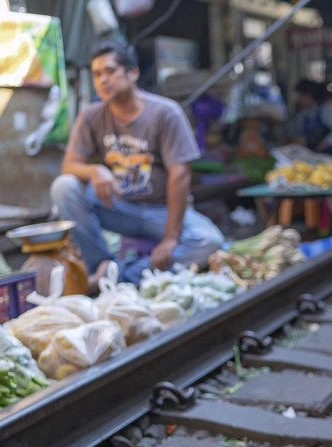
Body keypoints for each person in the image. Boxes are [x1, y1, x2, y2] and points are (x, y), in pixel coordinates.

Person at [50, 40, 224, 290]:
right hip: (119, 207)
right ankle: (101, 265)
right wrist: (95, 170)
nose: (103, 80)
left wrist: (170, 238)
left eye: (110, 71)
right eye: (97, 74)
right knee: (64, 187)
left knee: (209, 241)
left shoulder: (165, 113)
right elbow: (70, 164)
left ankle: (119, 276)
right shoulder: (91, 116)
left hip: (163, 211)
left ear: (133, 72)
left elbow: (181, 175)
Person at [292, 79, 332, 154]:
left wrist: (321, 146)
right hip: (315, 155)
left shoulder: (326, 109)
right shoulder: (304, 114)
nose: (298, 99)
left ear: (309, 95)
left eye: (300, 95)